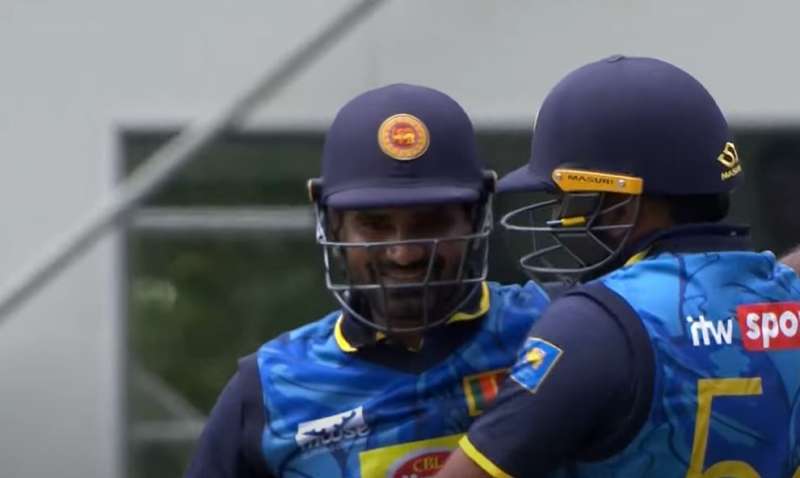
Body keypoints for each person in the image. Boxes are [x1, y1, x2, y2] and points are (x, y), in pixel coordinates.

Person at [436, 55, 800, 477]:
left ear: (620, 205)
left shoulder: (594, 323)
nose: (559, 217)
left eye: (566, 200)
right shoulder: (787, 293)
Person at [184, 83, 550, 477]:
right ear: (332, 224)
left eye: (431, 223)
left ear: (476, 217)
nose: (404, 254)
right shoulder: (272, 389)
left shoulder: (551, 331)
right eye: (374, 225)